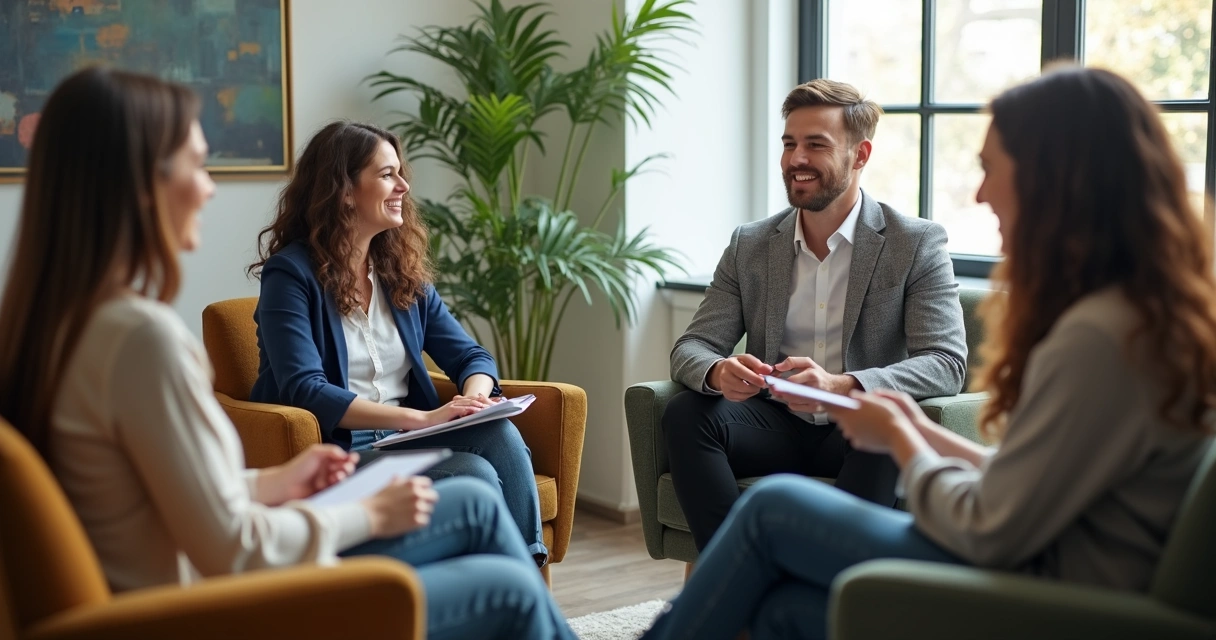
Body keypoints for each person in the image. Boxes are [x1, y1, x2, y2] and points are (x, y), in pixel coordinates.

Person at [640, 65, 1216, 640]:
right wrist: (902, 425)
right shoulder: (1142, 315)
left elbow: (989, 518)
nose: (980, 193)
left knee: (772, 506)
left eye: (992, 169)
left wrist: (889, 426)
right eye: (789, 143)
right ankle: (733, 591)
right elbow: (1026, 482)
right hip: (1047, 557)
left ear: (1057, 177)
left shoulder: (1094, 335)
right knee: (777, 603)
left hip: (1047, 587)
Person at [0, 67, 574, 640]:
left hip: (184, 587)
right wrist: (368, 513)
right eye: (198, 165)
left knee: (478, 485)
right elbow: (233, 543)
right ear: (137, 182)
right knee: (496, 557)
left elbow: (167, 498)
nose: (210, 187)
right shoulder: (143, 339)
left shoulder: (53, 328)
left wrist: (275, 483)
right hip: (207, 607)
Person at [665, 78, 968, 550]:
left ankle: (824, 584)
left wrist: (842, 386)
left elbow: (946, 362)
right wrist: (718, 369)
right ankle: (734, 566)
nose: (796, 160)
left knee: (888, 430)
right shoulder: (751, 243)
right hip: (773, 424)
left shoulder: (915, 243)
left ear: (860, 155)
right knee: (687, 413)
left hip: (857, 431)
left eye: (815, 145)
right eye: (789, 144)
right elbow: (692, 347)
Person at [246, 121, 547, 564]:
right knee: (472, 471)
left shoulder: (398, 271)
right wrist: (422, 419)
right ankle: (511, 594)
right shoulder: (290, 276)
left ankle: (526, 573)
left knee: (498, 432)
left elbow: (471, 357)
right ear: (345, 191)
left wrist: (473, 402)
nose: (403, 185)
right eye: (387, 174)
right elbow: (306, 388)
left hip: (406, 438)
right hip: (344, 448)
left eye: (399, 173)